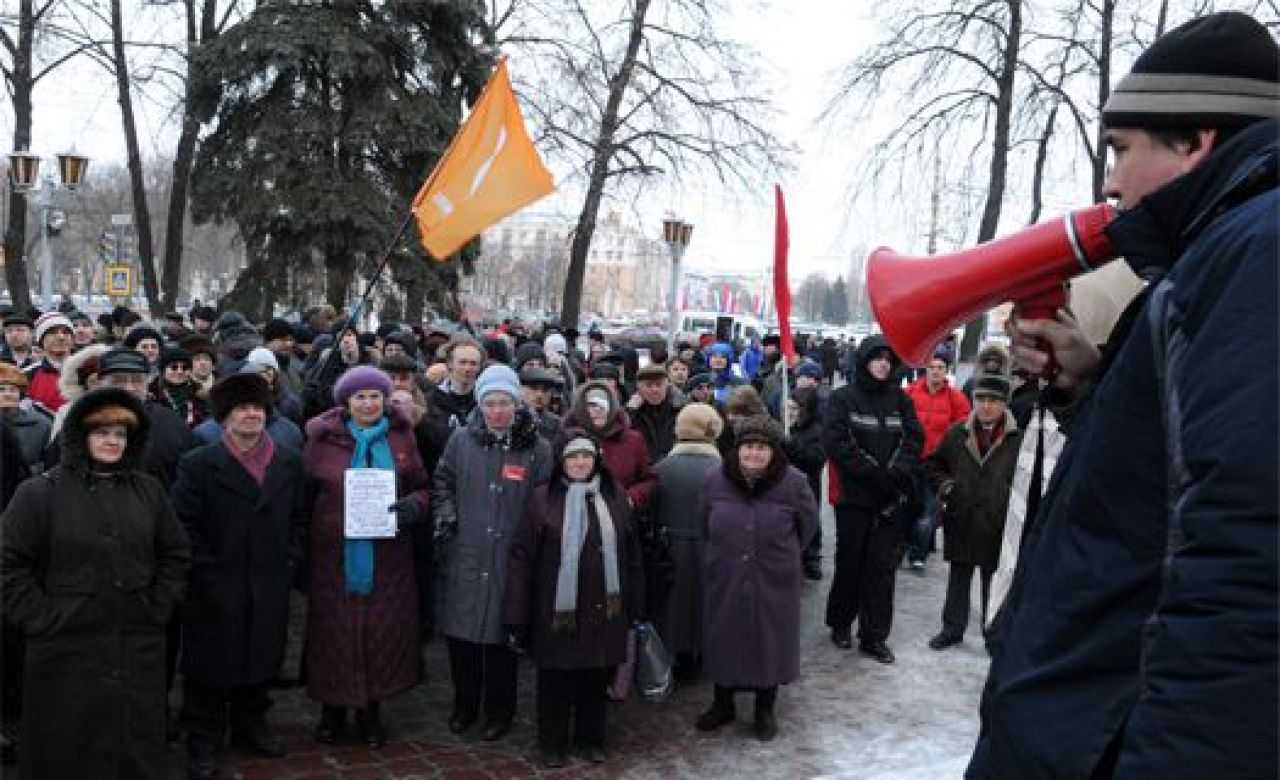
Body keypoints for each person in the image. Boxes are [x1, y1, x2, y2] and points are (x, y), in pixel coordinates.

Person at [970, 13, 1278, 777]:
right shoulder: (1221, 252)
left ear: (1196, 141)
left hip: (1101, 732)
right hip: (1084, 724)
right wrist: (1092, 388)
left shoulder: (1258, 250)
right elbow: (1175, 476)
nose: (1109, 180)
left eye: (1122, 149)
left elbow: (1247, 560)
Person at [0, 387, 191, 779]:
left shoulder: (149, 491)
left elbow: (175, 554)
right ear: (80, 436)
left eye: (120, 434)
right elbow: (8, 563)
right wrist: (41, 617)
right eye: (102, 432)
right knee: (66, 746)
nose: (111, 441)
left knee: (131, 743)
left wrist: (157, 605)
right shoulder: (39, 493)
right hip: (63, 647)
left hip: (135, 644)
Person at [172, 372, 306, 779]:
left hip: (268, 580)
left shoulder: (288, 462)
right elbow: (183, 524)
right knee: (211, 666)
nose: (251, 415)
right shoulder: (199, 464)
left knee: (261, 655)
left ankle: (251, 724)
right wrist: (206, 572)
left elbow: (299, 518)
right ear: (224, 417)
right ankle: (204, 737)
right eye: (242, 409)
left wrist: (288, 560)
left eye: (258, 408)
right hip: (217, 582)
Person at [302, 366, 430, 747]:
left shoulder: (401, 437)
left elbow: (422, 486)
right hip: (334, 558)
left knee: (379, 635)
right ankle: (332, 713)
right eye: (360, 397)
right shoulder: (322, 440)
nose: (369, 403)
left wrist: (414, 506)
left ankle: (371, 712)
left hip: (388, 557)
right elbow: (305, 496)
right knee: (333, 635)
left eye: (376, 395)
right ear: (346, 402)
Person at [504, 431, 645, 768]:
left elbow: (633, 555)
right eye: (572, 457)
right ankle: (552, 742)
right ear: (561, 462)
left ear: (596, 459)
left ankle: (591, 737)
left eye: (586, 456)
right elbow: (521, 559)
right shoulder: (542, 499)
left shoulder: (614, 495)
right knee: (555, 679)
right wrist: (516, 613)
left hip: (603, 608)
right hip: (556, 610)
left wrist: (637, 606)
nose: (580, 463)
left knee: (595, 679)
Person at [434, 364, 553, 742]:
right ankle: (464, 705)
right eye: (490, 403)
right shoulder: (461, 441)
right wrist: (449, 518)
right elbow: (443, 482)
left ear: (516, 404)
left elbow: (547, 500)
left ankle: (500, 711)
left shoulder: (537, 448)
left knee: (503, 640)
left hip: (511, 558)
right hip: (467, 552)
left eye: (504, 403)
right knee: (462, 638)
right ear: (480, 405)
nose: (497, 411)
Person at [695, 416, 818, 742]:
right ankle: (723, 703)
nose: (754, 454)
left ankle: (765, 708)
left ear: (774, 451)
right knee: (725, 634)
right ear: (737, 449)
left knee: (771, 639)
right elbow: (703, 523)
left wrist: (782, 555)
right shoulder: (714, 479)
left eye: (762, 448)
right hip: (726, 572)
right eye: (748, 447)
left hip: (774, 574)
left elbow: (807, 527)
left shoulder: (795, 482)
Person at [822, 335, 923, 664]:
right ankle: (840, 623)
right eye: (876, 358)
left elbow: (913, 437)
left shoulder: (901, 399)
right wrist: (873, 473)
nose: (883, 364)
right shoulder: (842, 399)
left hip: (891, 496)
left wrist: (896, 473)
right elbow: (838, 443)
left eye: (888, 359)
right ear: (864, 361)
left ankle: (874, 635)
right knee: (850, 564)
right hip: (854, 496)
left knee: (881, 569)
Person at [922, 373, 1020, 651]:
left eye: (994, 400)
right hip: (961, 517)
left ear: (1005, 404)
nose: (986, 406)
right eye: (981, 399)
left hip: (997, 522)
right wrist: (946, 486)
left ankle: (993, 636)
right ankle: (952, 629)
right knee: (958, 578)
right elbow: (932, 466)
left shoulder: (1018, 439)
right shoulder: (956, 434)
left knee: (994, 584)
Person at [652, 403, 724, 680]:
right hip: (710, 545)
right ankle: (704, 654)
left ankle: (680, 658)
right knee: (707, 604)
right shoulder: (721, 469)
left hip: (672, 546)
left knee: (675, 608)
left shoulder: (662, 467)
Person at [903, 354, 971, 569]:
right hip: (910, 460)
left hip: (936, 464)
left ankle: (917, 554)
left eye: (940, 367)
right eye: (931, 367)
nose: (935, 371)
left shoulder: (956, 398)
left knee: (929, 510)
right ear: (925, 369)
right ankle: (900, 546)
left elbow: (964, 430)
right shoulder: (910, 392)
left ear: (946, 371)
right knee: (904, 506)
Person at [563, 381, 658, 510]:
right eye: (592, 405)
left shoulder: (633, 440)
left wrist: (630, 498)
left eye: (603, 405)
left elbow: (650, 479)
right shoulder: (566, 440)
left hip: (621, 517)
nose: (598, 410)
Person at [783, 386, 827, 580]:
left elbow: (816, 458)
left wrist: (792, 446)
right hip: (785, 484)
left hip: (808, 484)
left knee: (808, 519)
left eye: (796, 409)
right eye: (789, 409)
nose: (791, 413)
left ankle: (811, 556)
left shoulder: (817, 431)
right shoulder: (785, 428)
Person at [628, 362, 685, 461]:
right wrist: (630, 411)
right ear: (639, 388)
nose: (654, 390)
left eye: (659, 385)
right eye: (649, 385)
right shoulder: (631, 412)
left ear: (667, 385)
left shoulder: (681, 409)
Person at [0, 363, 50, 473]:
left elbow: (49, 462)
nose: (7, 394)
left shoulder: (41, 424)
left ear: (21, 393)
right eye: (1, 389)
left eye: (13, 390)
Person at [24, 311, 75, 413]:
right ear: (41, 340)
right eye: (52, 332)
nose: (61, 337)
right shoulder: (27, 375)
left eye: (66, 332)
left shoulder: (87, 370)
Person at [149, 347, 210, 429]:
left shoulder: (201, 395)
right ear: (163, 370)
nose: (179, 371)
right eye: (174, 367)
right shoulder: (151, 395)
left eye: (184, 368)